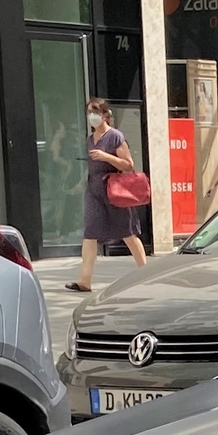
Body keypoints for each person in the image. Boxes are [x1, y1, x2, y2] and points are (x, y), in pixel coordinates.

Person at [72, 96, 149, 293]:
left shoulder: (115, 136)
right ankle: (85, 279)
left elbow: (128, 164)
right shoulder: (90, 139)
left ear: (105, 115)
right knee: (89, 233)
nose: (92, 117)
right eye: (89, 112)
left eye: (95, 112)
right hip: (94, 189)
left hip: (114, 189)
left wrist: (106, 156)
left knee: (127, 232)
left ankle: (146, 274)